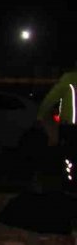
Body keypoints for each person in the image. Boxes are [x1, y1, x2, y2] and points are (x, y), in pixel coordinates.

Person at [37, 64, 77, 192]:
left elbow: (51, 98)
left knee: (69, 158)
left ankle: (70, 186)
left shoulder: (69, 79)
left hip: (70, 126)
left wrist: (40, 115)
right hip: (69, 126)